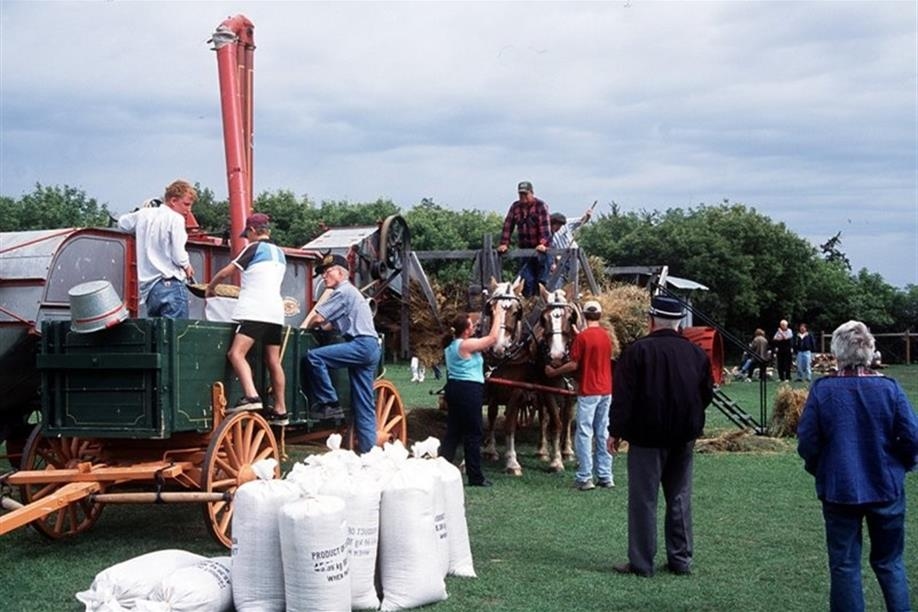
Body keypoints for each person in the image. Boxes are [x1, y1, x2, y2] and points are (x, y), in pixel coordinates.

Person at [797, 320, 918, 612]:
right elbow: (912, 437)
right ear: (870, 350)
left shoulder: (823, 390)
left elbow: (807, 441)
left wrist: (821, 468)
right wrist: (900, 466)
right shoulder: (889, 389)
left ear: (836, 352)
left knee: (845, 565)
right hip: (885, 486)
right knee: (890, 563)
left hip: (840, 488)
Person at [609, 295, 714, 577]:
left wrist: (615, 431)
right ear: (678, 322)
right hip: (683, 435)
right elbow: (706, 394)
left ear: (651, 320)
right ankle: (681, 559)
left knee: (644, 499)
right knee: (680, 497)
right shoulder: (696, 354)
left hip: (646, 436)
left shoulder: (637, 351)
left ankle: (642, 563)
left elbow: (623, 397)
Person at [206, 213, 288, 424]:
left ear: (252, 231)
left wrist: (211, 287)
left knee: (236, 353)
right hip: (275, 313)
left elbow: (227, 272)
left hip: (255, 310)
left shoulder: (253, 248)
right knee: (273, 360)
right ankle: (281, 408)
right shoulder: (280, 253)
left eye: (247, 234)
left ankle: (251, 396)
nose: (247, 238)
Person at [300, 253, 380, 453]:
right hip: (370, 346)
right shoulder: (351, 293)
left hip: (360, 344)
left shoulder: (343, 291)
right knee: (363, 404)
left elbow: (319, 319)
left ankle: (329, 402)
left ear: (340, 273)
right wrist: (320, 325)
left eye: (327, 272)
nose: (323, 276)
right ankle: (369, 453)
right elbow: (329, 325)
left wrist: (305, 327)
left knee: (314, 357)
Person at [544, 300, 614, 491]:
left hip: (589, 390)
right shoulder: (606, 336)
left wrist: (554, 372)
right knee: (602, 432)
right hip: (606, 390)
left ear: (583, 316)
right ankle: (606, 476)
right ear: (599, 316)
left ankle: (585, 477)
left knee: (584, 433)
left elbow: (574, 364)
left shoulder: (582, 338)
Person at [117, 179, 197, 318]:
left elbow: (122, 223)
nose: (189, 210)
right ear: (173, 201)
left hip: (150, 290)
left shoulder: (144, 214)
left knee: (157, 330)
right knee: (175, 330)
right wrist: (186, 265)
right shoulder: (176, 219)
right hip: (171, 284)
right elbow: (178, 256)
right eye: (186, 204)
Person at [441, 307, 501, 487]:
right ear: (466, 330)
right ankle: (475, 476)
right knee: (473, 432)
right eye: (472, 326)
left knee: (453, 431)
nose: (474, 328)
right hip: (468, 390)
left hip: (454, 388)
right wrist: (498, 315)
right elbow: (492, 339)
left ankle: (441, 468)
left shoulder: (451, 345)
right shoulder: (465, 345)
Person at [496, 180, 551, 297]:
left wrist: (543, 244)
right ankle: (528, 301)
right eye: (520, 194)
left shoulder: (540, 206)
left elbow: (545, 229)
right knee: (527, 281)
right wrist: (504, 243)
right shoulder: (515, 207)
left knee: (541, 281)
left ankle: (540, 301)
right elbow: (508, 226)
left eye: (525, 194)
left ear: (532, 193)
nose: (523, 196)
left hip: (541, 250)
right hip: (525, 250)